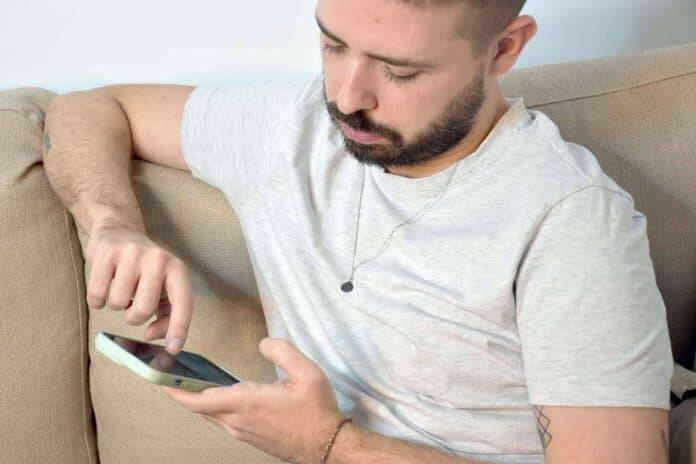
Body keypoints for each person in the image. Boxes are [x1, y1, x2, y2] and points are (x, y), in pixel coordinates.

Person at [42, 0, 674, 462]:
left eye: (399, 72)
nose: (347, 98)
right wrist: (113, 226)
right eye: (333, 45)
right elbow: (85, 110)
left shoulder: (570, 220)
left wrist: (329, 445)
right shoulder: (291, 129)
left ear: (504, 49)